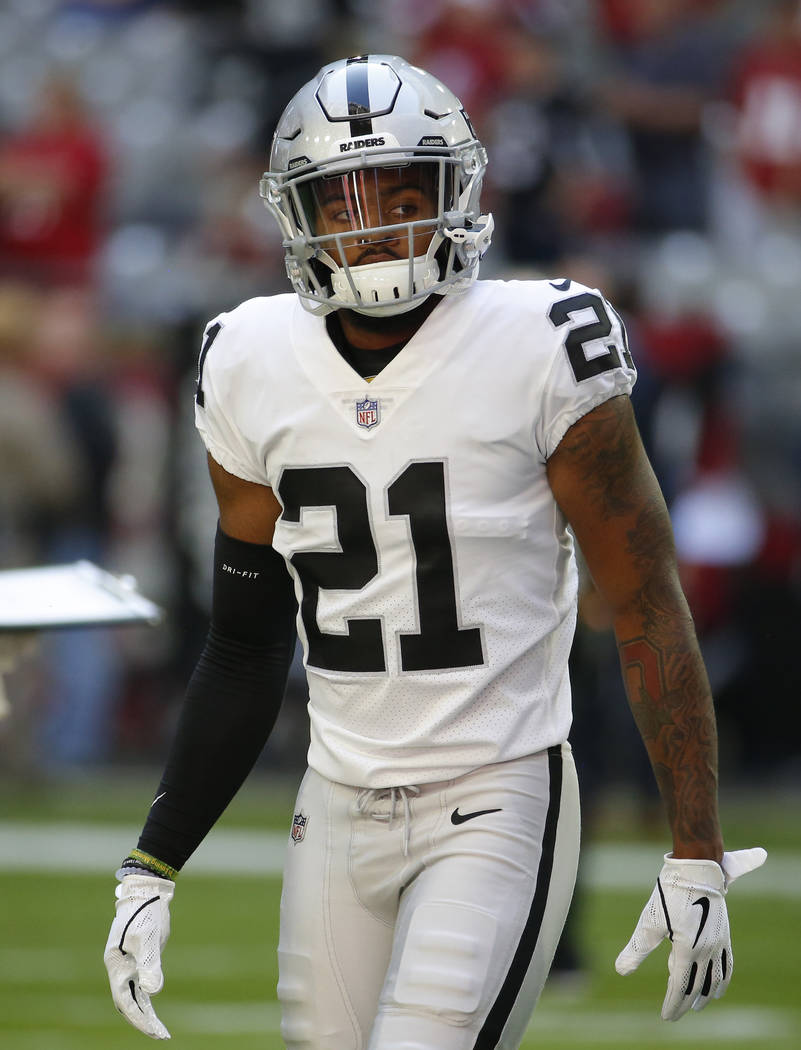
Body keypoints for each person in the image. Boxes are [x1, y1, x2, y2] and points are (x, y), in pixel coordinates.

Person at [103, 54, 766, 1047]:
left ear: (457, 190)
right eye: (342, 201)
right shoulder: (245, 359)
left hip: (498, 791)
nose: (370, 227)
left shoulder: (545, 341)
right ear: (298, 217)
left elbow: (645, 601)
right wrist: (151, 862)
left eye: (402, 193)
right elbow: (244, 646)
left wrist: (695, 850)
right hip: (334, 802)